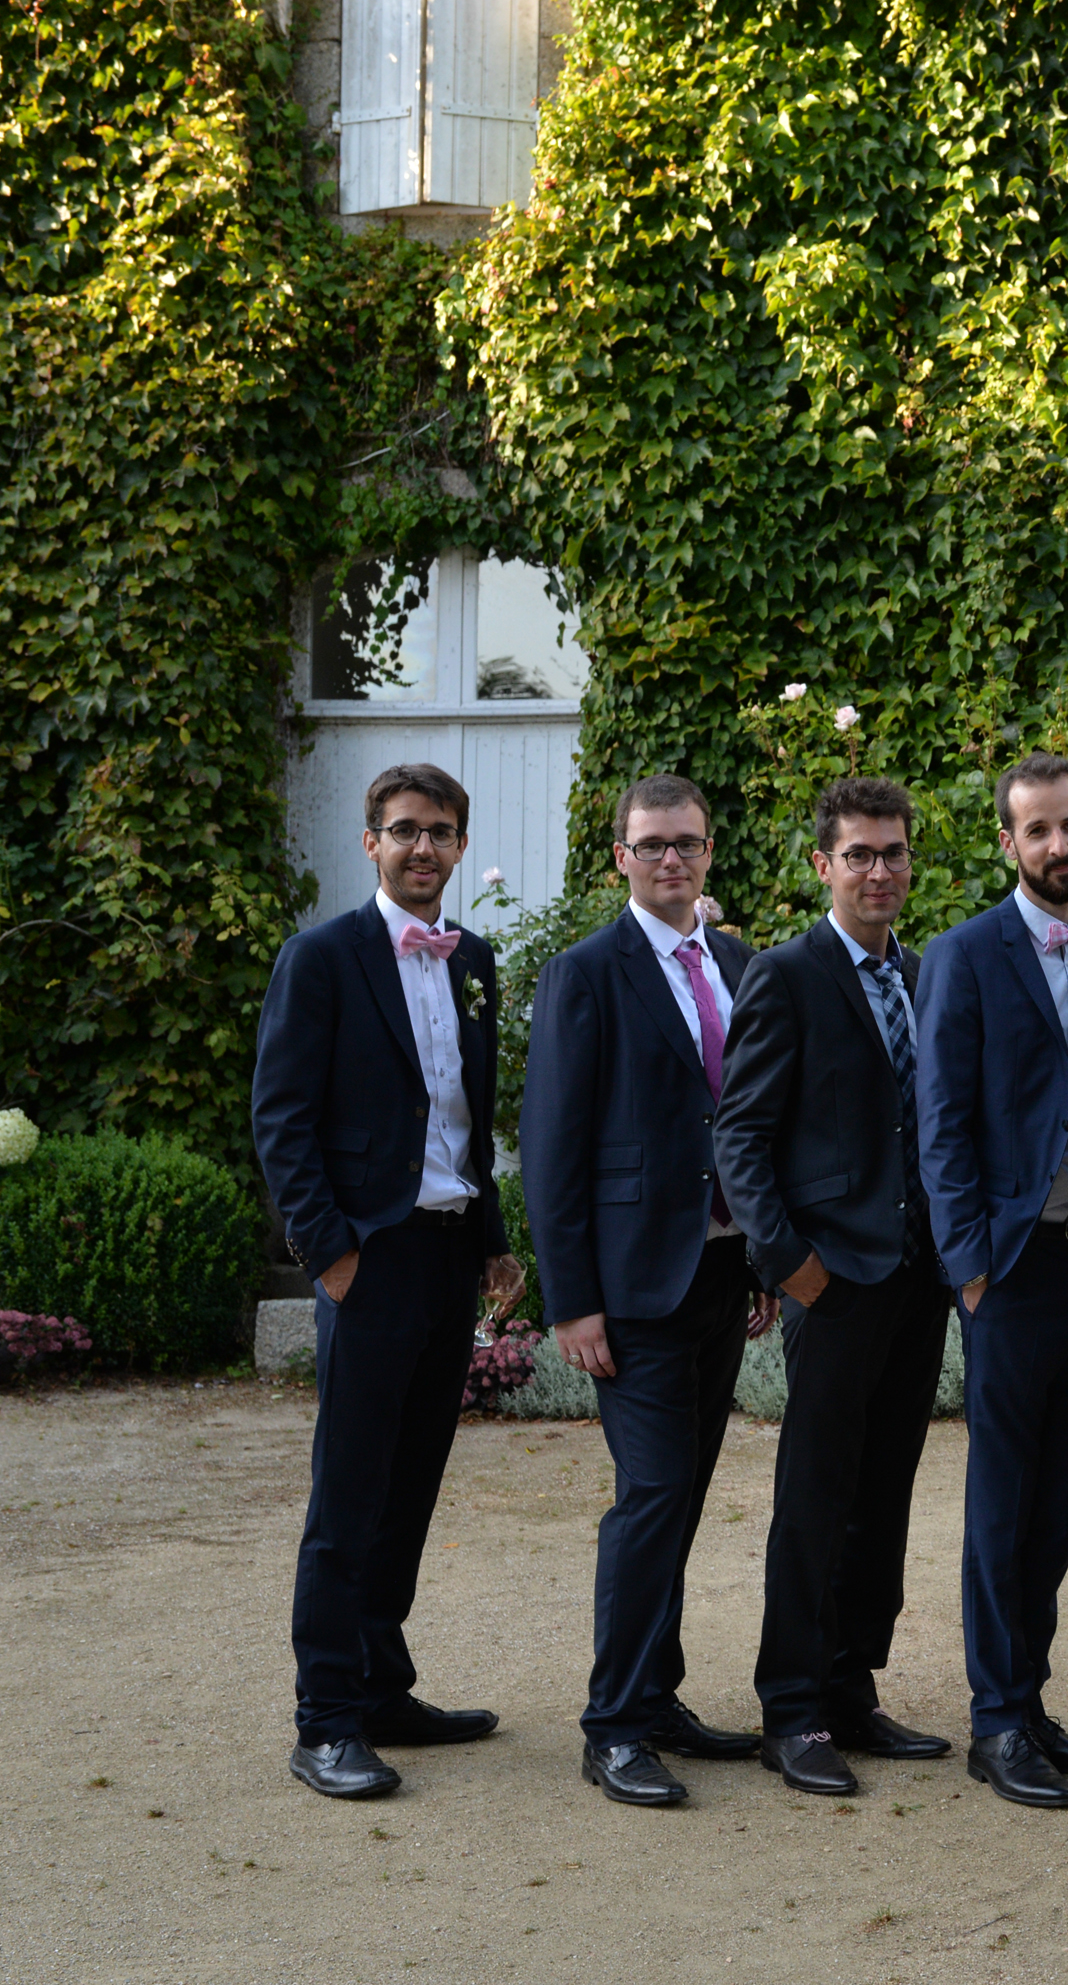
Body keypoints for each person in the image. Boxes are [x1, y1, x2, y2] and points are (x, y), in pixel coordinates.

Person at [252, 761, 525, 1800]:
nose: (423, 847)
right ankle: (324, 1720)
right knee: (349, 1492)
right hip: (369, 1257)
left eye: (440, 831)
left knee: (411, 1485)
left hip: (449, 1253)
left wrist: (492, 1239)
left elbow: (464, 1123)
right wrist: (330, 1251)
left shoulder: (475, 960)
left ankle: (379, 1687)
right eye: (405, 829)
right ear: (371, 842)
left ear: (460, 846)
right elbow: (282, 1118)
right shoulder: (321, 958)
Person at [522, 774, 771, 1806]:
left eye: (688, 843)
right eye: (653, 844)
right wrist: (571, 1299)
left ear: (709, 852)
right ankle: (616, 1726)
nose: (673, 858)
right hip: (630, 1286)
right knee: (653, 1496)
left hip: (719, 1270)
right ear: (621, 857)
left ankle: (657, 1697)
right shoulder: (585, 973)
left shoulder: (741, 964)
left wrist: (761, 1257)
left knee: (683, 1497)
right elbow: (552, 1143)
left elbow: (754, 1123)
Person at [713, 776, 953, 1797]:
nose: (878, 870)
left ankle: (852, 1688)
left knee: (883, 1494)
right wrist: (789, 1264)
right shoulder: (786, 974)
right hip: (832, 1280)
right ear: (824, 865)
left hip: (916, 1278)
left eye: (893, 852)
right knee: (815, 1499)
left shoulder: (923, 976)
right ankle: (791, 1708)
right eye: (859, 854)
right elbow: (740, 1134)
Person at [912, 754, 1068, 1811]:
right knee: (1003, 1500)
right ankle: (995, 1719)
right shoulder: (964, 955)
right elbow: (941, 1120)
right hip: (1011, 1265)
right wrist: (969, 1268)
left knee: (1061, 1494)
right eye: (1036, 829)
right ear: (1007, 842)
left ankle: (1030, 1700)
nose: (1057, 844)